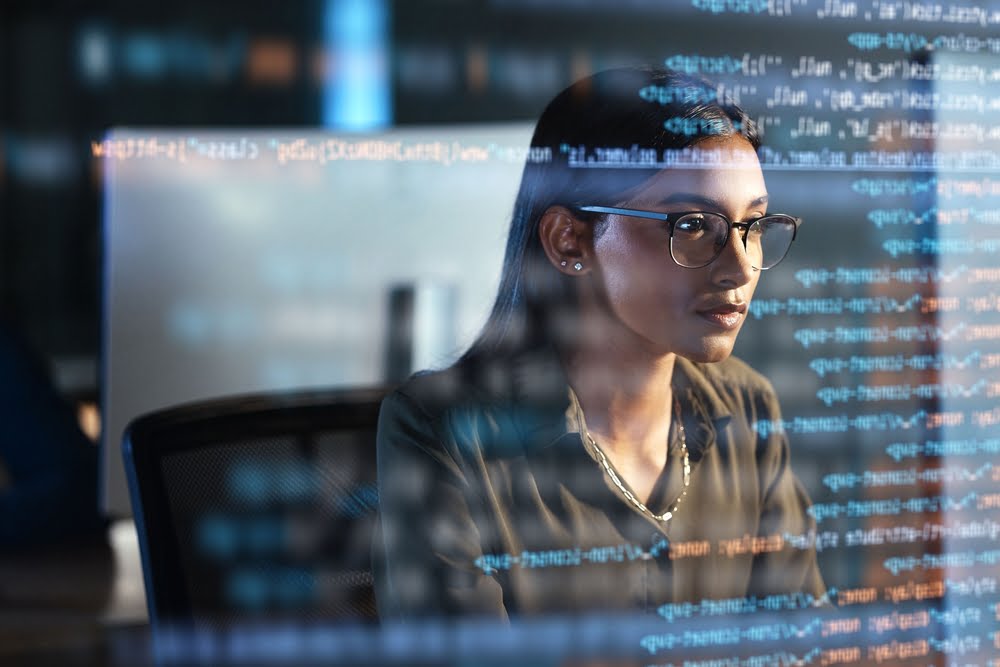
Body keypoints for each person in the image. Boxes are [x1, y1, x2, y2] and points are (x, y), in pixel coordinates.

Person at [372, 65, 825, 622]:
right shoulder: (442, 434)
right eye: (690, 225)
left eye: (752, 227)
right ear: (569, 241)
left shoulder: (749, 410)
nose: (741, 267)